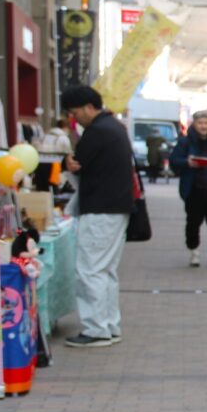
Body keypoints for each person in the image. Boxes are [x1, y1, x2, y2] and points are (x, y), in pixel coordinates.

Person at [60, 85, 134, 348]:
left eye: (75, 112)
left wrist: (68, 163)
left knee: (90, 270)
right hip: (116, 208)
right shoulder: (114, 127)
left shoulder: (97, 131)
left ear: (89, 107)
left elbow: (78, 164)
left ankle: (96, 329)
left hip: (100, 209)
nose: (74, 118)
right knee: (105, 270)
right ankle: (109, 325)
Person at [168, 111, 207, 269]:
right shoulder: (185, 141)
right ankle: (194, 251)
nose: (204, 126)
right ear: (194, 124)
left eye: (206, 123)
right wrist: (187, 162)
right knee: (193, 223)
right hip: (194, 189)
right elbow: (173, 160)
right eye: (200, 123)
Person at [33, 117, 73, 191]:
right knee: (52, 189)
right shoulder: (63, 137)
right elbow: (68, 155)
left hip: (40, 163)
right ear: (65, 127)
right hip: (54, 164)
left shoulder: (46, 135)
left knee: (41, 188)